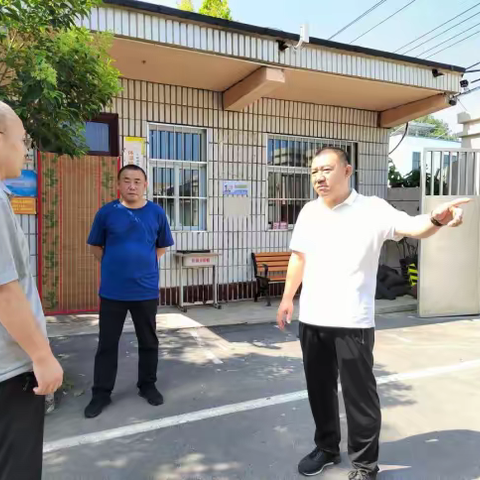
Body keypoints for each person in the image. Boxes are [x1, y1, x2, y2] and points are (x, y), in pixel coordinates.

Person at [276, 147, 469, 480]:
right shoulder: (308, 212)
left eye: (327, 169)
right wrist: (287, 298)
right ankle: (326, 447)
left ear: (347, 171)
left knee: (359, 397)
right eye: (314, 173)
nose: (319, 178)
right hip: (312, 319)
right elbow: (299, 258)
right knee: (319, 389)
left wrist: (437, 219)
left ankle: (365, 465)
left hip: (352, 321)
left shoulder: (372, 209)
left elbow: (414, 227)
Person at [0, 101, 64, 480]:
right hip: (9, 368)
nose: (25, 149)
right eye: (22, 139)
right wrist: (41, 355)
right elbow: (5, 291)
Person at [84, 164, 174, 418]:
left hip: (145, 291)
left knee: (148, 341)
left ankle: (147, 385)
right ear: (118, 185)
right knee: (107, 344)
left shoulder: (156, 212)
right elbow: (95, 246)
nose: (132, 185)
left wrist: (142, 266)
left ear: (145, 185)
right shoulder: (107, 212)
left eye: (137, 181)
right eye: (126, 180)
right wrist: (114, 265)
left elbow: (161, 247)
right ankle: (101, 393)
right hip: (112, 292)